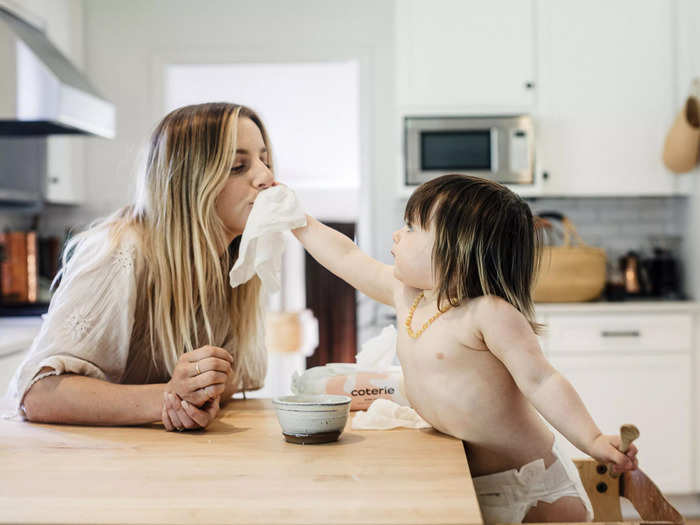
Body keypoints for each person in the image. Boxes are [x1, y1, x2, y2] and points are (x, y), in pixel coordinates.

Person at [292, 174, 638, 523]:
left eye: (411, 228)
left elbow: (542, 381)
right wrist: (296, 220)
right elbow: (347, 257)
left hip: (532, 488)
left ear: (456, 249)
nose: (398, 235)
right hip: (469, 481)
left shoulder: (487, 314)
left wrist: (591, 439)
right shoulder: (409, 298)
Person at [8, 102, 275, 431]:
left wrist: (202, 394)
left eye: (264, 159)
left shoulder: (236, 263)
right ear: (188, 183)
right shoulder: (119, 253)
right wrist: (169, 398)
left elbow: (242, 375)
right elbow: (38, 393)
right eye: (237, 166)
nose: (266, 177)